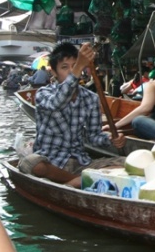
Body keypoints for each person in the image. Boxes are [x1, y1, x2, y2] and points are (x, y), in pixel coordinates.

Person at [18, 42, 126, 187]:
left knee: (127, 163)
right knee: (31, 163)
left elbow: (93, 136)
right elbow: (57, 103)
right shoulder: (43, 94)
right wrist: (78, 67)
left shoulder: (91, 98)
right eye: (65, 67)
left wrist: (111, 139)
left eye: (75, 66)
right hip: (52, 163)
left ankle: (75, 181)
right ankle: (81, 181)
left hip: (80, 163)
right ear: (54, 73)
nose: (71, 71)